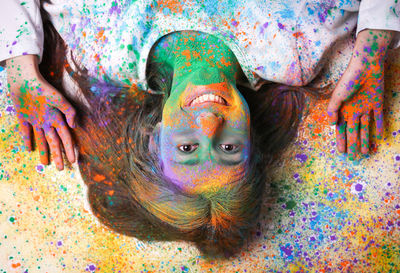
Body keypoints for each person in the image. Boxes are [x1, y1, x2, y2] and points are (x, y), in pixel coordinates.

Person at [0, 0, 399, 257]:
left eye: (188, 149)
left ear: (154, 138)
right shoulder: (297, 48)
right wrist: (376, 47)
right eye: (229, 149)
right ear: (253, 143)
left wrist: (20, 63)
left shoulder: (103, 48)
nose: (209, 124)